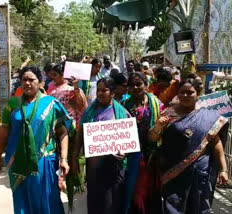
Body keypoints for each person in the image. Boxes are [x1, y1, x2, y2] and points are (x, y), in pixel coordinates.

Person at [0, 66, 72, 214]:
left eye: (31, 79)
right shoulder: (12, 105)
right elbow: (3, 135)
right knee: (23, 203)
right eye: (24, 80)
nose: (27, 83)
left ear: (40, 83)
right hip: (17, 164)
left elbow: (63, 133)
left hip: (44, 163)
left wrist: (64, 159)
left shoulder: (51, 104)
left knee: (48, 202)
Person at [149, 78, 229, 214]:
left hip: (200, 172)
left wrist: (223, 169)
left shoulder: (208, 116)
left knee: (198, 207)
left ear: (198, 94)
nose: (186, 95)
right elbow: (152, 138)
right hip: (173, 172)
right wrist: (158, 126)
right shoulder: (168, 114)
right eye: (182, 92)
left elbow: (216, 143)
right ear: (177, 94)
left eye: (190, 92)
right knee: (173, 207)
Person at [72, 78, 131, 214]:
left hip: (114, 168)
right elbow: (80, 136)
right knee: (95, 202)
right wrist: (74, 158)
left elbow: (129, 139)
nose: (100, 93)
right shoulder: (89, 113)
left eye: (104, 90)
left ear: (113, 93)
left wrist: (124, 153)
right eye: (98, 90)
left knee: (112, 203)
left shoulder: (121, 113)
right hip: (94, 168)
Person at [122, 72, 163, 214]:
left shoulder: (157, 104)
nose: (135, 87)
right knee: (132, 189)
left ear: (146, 85)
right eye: (131, 85)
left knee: (149, 190)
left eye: (139, 84)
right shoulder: (123, 105)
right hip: (130, 156)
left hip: (150, 156)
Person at [47, 64, 87, 129]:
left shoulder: (71, 88)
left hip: (69, 122)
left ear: (63, 75)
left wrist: (76, 87)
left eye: (55, 75)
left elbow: (81, 104)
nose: (53, 77)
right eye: (52, 75)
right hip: (54, 122)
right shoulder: (50, 86)